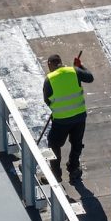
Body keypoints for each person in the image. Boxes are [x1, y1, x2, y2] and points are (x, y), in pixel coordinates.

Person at [42, 53, 93, 182]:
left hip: (61, 120)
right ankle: (73, 168)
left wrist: (58, 108)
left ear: (50, 64)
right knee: (76, 143)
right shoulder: (74, 71)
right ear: (60, 61)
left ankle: (55, 174)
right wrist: (80, 66)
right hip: (79, 117)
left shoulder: (49, 79)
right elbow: (90, 78)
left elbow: (47, 100)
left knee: (53, 144)